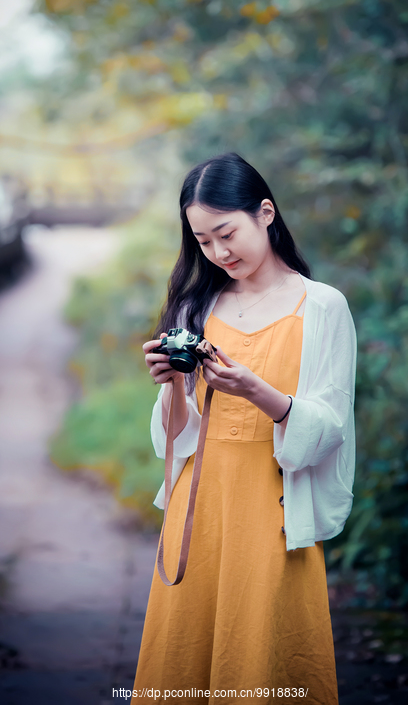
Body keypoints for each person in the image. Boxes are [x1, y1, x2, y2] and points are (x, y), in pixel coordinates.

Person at [133, 153, 357, 705]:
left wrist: (256, 391)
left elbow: (329, 429)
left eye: (226, 233)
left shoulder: (321, 306)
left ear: (266, 213)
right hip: (199, 503)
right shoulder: (196, 305)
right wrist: (169, 385)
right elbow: (176, 441)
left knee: (264, 656)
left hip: (273, 505)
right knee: (184, 655)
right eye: (203, 241)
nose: (218, 253)